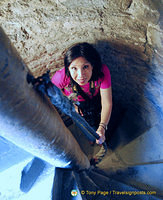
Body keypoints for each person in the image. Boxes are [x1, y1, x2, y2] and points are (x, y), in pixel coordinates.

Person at [51, 42, 112, 145]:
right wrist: (71, 105)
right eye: (74, 68)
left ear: (92, 65)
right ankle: (91, 140)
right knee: (88, 132)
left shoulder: (102, 71)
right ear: (68, 68)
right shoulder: (60, 77)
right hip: (78, 106)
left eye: (85, 67)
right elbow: (53, 94)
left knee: (104, 127)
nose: (80, 75)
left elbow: (107, 103)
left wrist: (102, 127)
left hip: (96, 100)